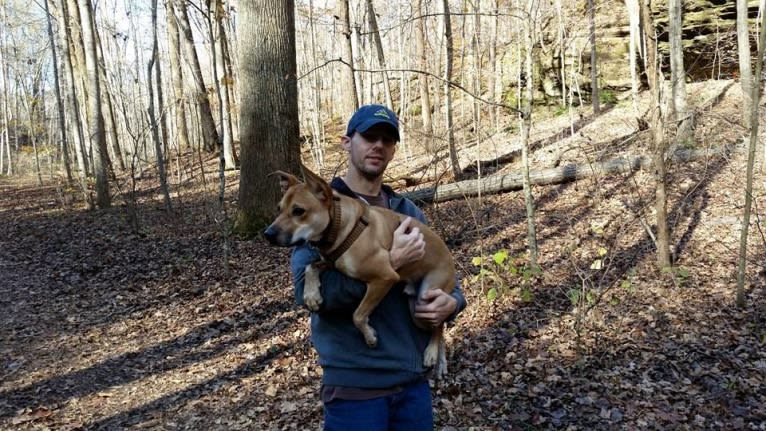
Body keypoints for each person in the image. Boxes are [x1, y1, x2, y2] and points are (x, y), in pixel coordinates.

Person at [290, 104, 467, 431]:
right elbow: (311, 295)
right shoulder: (316, 208)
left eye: (388, 140)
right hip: (355, 387)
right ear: (347, 142)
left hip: (412, 383)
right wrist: (389, 264)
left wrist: (453, 302)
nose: (379, 146)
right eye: (369, 136)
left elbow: (441, 271)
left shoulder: (405, 209)